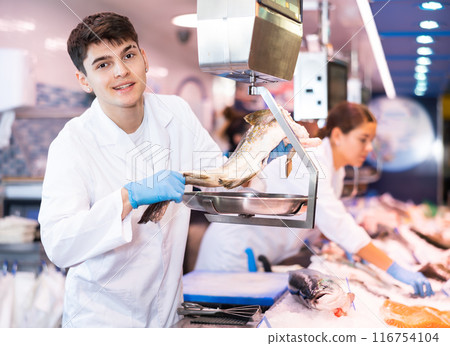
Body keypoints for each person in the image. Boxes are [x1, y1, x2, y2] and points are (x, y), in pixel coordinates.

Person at [38, 12, 291, 327]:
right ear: (83, 80)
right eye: (103, 64)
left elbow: (225, 179)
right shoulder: (72, 143)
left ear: (144, 58)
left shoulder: (176, 112)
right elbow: (60, 245)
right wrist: (129, 197)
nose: (121, 71)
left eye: (128, 55)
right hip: (103, 322)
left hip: (169, 315)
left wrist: (261, 153)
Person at [196, 101, 434, 298]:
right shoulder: (311, 162)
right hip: (233, 255)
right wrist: (396, 270)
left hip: (261, 255)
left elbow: (323, 219)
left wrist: (339, 241)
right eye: (363, 139)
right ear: (339, 135)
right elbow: (338, 224)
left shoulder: (336, 170)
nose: (369, 148)